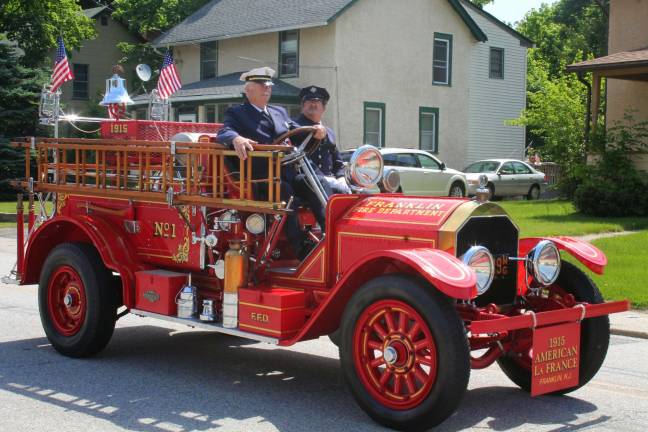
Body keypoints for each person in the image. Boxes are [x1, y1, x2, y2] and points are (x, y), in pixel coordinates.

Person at [216, 67, 327, 259]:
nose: (267, 88)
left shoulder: (279, 112)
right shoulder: (237, 113)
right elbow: (223, 132)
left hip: (286, 172)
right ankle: (299, 245)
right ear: (248, 90)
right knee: (284, 190)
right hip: (259, 179)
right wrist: (237, 139)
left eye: (268, 85)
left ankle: (330, 233)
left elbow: (297, 131)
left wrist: (316, 131)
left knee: (314, 181)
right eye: (261, 85)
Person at [293, 86, 351, 194]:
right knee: (340, 191)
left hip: (331, 180)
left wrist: (341, 177)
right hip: (308, 181)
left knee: (363, 191)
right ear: (302, 105)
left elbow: (338, 162)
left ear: (324, 107)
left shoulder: (329, 132)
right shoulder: (294, 127)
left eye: (317, 101)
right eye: (309, 101)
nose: (313, 104)